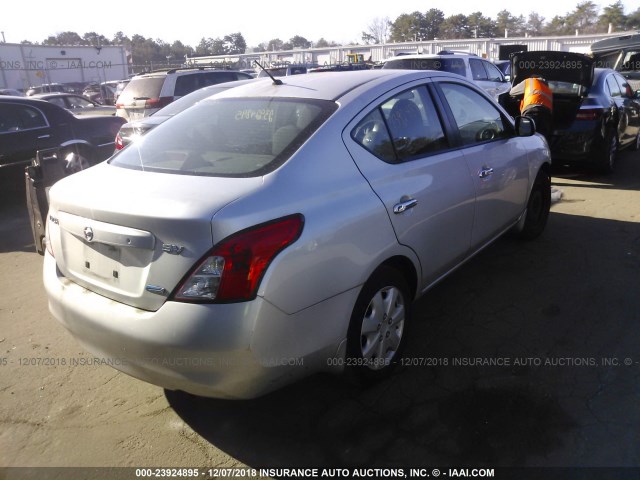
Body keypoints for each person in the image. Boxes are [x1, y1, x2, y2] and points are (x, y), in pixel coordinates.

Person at [510, 75, 553, 141]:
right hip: (546, 114)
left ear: (533, 77)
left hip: (531, 111)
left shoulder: (530, 81)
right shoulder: (548, 89)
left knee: (526, 137)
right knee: (542, 139)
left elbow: (512, 92)